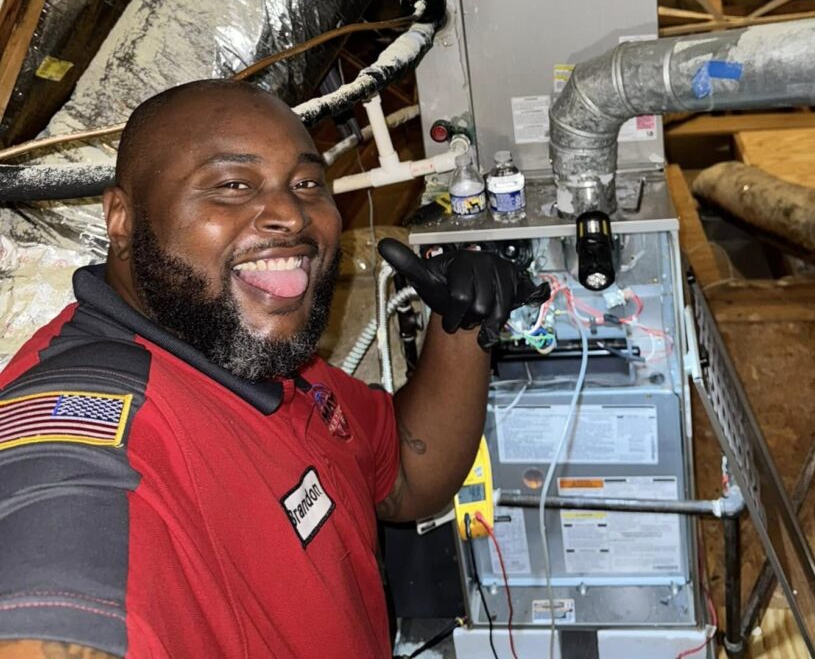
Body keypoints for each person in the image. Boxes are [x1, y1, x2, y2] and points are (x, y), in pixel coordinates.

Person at [0, 80, 545, 659]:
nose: (290, 213)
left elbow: (409, 477)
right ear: (123, 220)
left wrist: (460, 325)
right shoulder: (88, 430)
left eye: (307, 183)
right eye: (233, 185)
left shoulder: (260, 360)